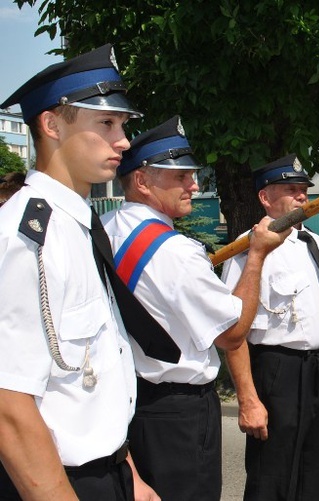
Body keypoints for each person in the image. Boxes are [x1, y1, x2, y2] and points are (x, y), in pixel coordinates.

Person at [0, 44, 160, 500]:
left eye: (123, 125)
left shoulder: (78, 225)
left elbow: (92, 379)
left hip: (108, 472)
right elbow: (9, 404)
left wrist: (130, 475)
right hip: (56, 482)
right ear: (51, 125)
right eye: (106, 124)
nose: (124, 141)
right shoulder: (28, 237)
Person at [101, 115, 289, 501]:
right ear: (141, 181)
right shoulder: (176, 252)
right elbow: (232, 333)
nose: (194, 185)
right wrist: (255, 257)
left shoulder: (103, 226)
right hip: (178, 416)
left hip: (127, 402)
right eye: (181, 177)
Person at [221, 154, 319, 500]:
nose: (302, 196)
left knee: (316, 472)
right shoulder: (249, 247)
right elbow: (233, 331)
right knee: (272, 478)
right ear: (265, 198)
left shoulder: (318, 244)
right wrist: (248, 400)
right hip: (278, 370)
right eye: (290, 189)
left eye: (304, 189)